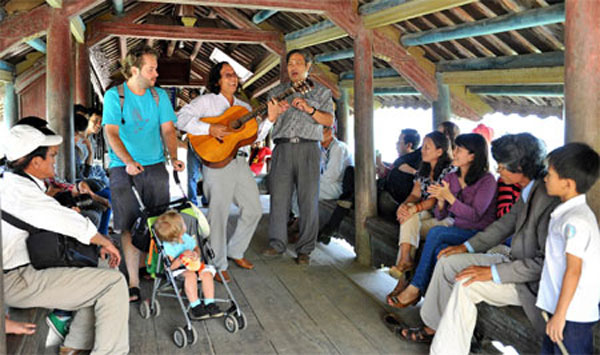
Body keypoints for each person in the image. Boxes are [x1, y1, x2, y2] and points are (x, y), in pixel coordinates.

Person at [394, 133, 559, 352]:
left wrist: (493, 273)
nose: (498, 170)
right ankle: (432, 327)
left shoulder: (545, 200)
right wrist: (464, 248)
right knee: (447, 260)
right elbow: (502, 226)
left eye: (502, 165)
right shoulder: (529, 192)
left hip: (526, 281)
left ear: (520, 167)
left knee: (466, 280)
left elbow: (541, 264)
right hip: (510, 258)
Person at [0, 124, 128, 354]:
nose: (54, 161)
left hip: (24, 270)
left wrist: (98, 242)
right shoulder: (21, 193)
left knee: (106, 271)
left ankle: (73, 345)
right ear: (35, 162)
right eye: (52, 156)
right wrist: (105, 241)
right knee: (114, 284)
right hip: (17, 280)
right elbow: (67, 221)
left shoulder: (12, 184)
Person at [176, 62, 278, 283]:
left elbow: (254, 136)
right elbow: (181, 119)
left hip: (241, 162)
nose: (234, 79)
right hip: (217, 162)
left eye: (235, 75)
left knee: (253, 209)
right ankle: (216, 263)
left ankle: (235, 251)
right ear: (217, 81)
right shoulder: (206, 101)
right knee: (218, 214)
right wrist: (209, 129)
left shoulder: (243, 107)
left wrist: (269, 119)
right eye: (227, 75)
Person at [103, 45, 185, 302]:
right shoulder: (115, 96)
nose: (156, 74)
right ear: (135, 70)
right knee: (128, 224)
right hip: (122, 167)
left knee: (158, 221)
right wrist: (127, 161)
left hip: (155, 165)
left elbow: (168, 130)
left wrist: (173, 157)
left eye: (156, 69)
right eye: (151, 69)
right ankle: (134, 283)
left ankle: (154, 268)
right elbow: (111, 132)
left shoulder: (159, 96)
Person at [388, 133, 497, 308]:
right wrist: (440, 201)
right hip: (456, 228)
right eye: (454, 148)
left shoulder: (487, 181)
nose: (454, 152)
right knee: (440, 250)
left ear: (473, 156)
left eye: (459, 150)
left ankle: (414, 288)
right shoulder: (451, 178)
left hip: (477, 232)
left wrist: (449, 197)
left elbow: (475, 216)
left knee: (436, 233)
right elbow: (441, 215)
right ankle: (426, 301)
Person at [261, 49, 335, 265]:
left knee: (308, 200)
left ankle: (305, 249)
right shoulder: (276, 92)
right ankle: (277, 243)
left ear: (308, 66)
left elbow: (329, 121)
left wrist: (309, 109)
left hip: (309, 148)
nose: (293, 67)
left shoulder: (321, 92)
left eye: (298, 63)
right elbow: (267, 122)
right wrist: (276, 113)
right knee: (279, 198)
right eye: (290, 63)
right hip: (282, 147)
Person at [536, 143, 600, 354]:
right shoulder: (567, 214)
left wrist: (560, 315)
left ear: (568, 184)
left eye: (550, 174)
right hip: (563, 310)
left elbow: (574, 269)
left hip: (572, 315)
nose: (545, 178)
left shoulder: (576, 221)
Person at [318, 128, 420, 244]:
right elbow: (390, 175)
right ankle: (336, 218)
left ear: (409, 145)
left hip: (388, 199)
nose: (396, 145)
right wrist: (381, 166)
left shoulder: (410, 161)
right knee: (351, 171)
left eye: (399, 142)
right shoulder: (403, 161)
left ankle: (333, 224)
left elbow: (401, 175)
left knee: (351, 193)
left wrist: (383, 167)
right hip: (383, 190)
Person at [386, 131, 454, 285]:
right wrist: (404, 206)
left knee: (409, 225)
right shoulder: (423, 169)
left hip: (444, 217)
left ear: (440, 151)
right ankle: (405, 259)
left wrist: (411, 210)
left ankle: (401, 280)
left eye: (427, 148)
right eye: (423, 147)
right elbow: (415, 194)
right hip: (427, 212)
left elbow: (433, 200)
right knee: (408, 217)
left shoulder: (449, 171)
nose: (422, 150)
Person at [154, 210, 224, 320]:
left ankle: (210, 303)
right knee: (191, 276)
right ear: (178, 229)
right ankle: (195, 305)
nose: (186, 224)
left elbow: (196, 248)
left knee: (207, 274)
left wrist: (196, 254)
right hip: (179, 269)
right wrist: (182, 258)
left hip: (194, 264)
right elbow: (170, 267)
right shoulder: (168, 246)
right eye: (183, 223)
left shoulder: (186, 237)